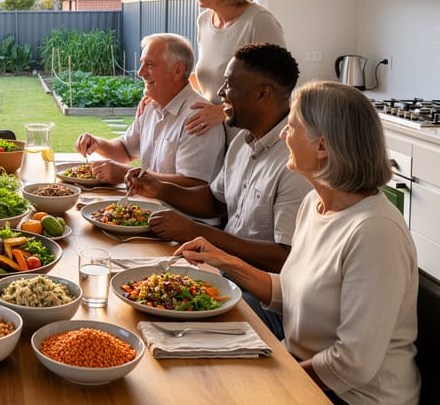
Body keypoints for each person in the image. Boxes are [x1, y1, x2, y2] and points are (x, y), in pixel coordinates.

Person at [174, 81, 420, 404]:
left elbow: (353, 364)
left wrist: (273, 382)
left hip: (353, 396)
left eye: (292, 126)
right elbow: (291, 293)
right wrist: (222, 260)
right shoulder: (315, 205)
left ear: (322, 147)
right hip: (304, 369)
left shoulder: (375, 233)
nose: (281, 135)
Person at [129, 43, 311, 338]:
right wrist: (160, 188)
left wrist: (198, 234)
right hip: (222, 271)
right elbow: (216, 202)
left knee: (171, 331)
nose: (221, 93)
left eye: (230, 85)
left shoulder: (294, 160)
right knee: (142, 296)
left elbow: (284, 257)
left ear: (262, 93)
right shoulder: (241, 141)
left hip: (266, 299)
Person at [75, 33, 224, 187]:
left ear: (178, 71)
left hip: (175, 211)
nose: (140, 72)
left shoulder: (200, 117)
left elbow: (193, 186)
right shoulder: (149, 107)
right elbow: (126, 150)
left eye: (150, 65)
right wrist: (97, 144)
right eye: (142, 64)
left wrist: (128, 175)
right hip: (148, 205)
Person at [183, 0, 286, 137]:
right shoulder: (204, 21)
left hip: (249, 138)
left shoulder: (259, 21)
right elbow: (208, 80)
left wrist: (223, 111)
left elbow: (279, 89)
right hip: (213, 138)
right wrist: (160, 96)